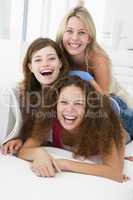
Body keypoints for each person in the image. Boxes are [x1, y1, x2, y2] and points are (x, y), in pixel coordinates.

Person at [17, 76, 126, 182]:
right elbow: (24, 151)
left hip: (121, 114)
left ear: (88, 107)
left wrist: (64, 164)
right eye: (64, 102)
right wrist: (38, 153)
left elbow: (115, 173)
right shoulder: (49, 120)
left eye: (78, 103)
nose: (69, 109)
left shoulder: (100, 124)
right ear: (55, 104)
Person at [56, 5, 133, 138]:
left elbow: (103, 102)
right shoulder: (57, 54)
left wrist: (86, 78)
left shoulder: (99, 59)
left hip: (113, 97)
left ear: (89, 38)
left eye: (81, 32)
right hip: (82, 100)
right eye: (69, 31)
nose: (74, 38)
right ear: (63, 33)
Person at [1, 37, 69, 155]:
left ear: (60, 63)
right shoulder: (28, 96)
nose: (45, 64)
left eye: (51, 58)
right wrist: (21, 140)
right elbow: (37, 133)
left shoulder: (68, 92)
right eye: (38, 60)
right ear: (30, 67)